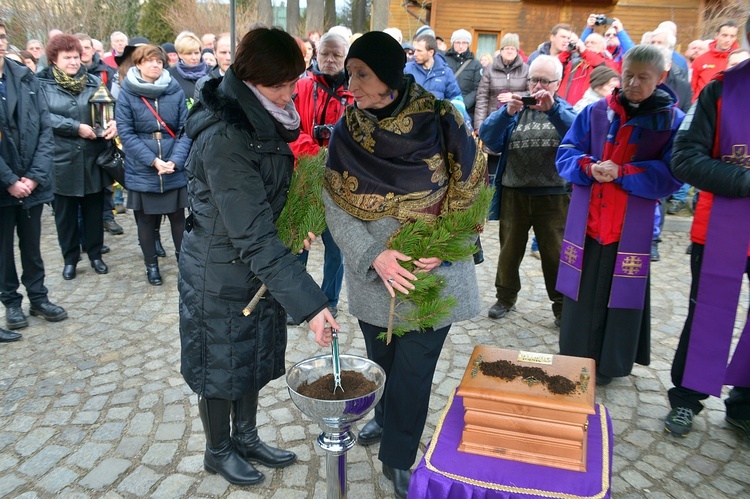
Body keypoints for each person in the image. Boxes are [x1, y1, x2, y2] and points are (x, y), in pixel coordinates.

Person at [324, 31, 485, 498]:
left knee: (415, 370)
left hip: (434, 270)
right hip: (375, 272)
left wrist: (449, 243)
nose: (350, 82)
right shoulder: (346, 130)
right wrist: (373, 254)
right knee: (383, 361)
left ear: (390, 77)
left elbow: (472, 187)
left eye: (361, 73)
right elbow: (335, 203)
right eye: (350, 72)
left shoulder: (442, 119)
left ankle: (399, 456)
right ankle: (384, 419)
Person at [180, 26, 339, 486]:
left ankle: (246, 436)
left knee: (247, 354)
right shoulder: (227, 136)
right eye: (280, 85)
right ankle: (218, 449)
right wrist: (311, 304)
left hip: (254, 266)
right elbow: (249, 232)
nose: (291, 93)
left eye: (294, 81)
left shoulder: (262, 116)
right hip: (220, 269)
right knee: (219, 362)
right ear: (248, 79)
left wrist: (295, 226)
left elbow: (267, 199)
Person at [555, 44, 684, 385]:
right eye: (628, 75)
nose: (633, 83)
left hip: (629, 230)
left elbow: (673, 173)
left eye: (643, 77)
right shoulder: (596, 112)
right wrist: (590, 167)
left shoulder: (673, 122)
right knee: (582, 295)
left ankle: (610, 364)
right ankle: (574, 357)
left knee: (619, 296)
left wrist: (624, 172)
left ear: (661, 78)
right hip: (590, 225)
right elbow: (566, 152)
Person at [663, 21, 750, 438]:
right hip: (722, 229)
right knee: (707, 314)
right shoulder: (720, 90)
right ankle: (687, 397)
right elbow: (684, 158)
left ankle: (745, 404)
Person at [479, 55, 576, 325]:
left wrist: (553, 110)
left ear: (558, 82)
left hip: (554, 195)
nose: (538, 86)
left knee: (555, 254)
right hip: (515, 192)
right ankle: (505, 297)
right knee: (509, 250)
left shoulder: (564, 109)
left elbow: (580, 134)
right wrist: (506, 112)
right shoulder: (516, 108)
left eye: (545, 80)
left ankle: (561, 307)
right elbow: (488, 136)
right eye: (534, 79)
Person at [0, 20, 67, 340]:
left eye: (1, 37)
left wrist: (33, 177)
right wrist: (10, 179)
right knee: (3, 251)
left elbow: (44, 129)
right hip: (3, 185)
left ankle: (38, 297)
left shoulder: (23, 76)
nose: (0, 43)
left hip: (32, 182)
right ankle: (11, 302)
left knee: (32, 245)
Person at [37, 34, 116, 280]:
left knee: (94, 211)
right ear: (54, 59)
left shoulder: (93, 82)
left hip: (92, 158)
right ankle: (70, 259)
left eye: (76, 56)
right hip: (60, 160)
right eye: (67, 58)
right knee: (65, 216)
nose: (73, 62)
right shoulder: (41, 84)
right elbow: (42, 117)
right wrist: (74, 127)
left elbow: (106, 111)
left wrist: (112, 124)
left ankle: (95, 255)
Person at [116, 45, 191, 285]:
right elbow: (126, 134)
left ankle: (185, 265)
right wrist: (153, 161)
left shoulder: (174, 90)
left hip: (172, 164)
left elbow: (185, 130)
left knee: (178, 219)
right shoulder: (127, 92)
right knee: (146, 221)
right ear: (138, 63)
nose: (155, 65)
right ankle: (151, 266)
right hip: (143, 168)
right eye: (149, 61)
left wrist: (175, 161)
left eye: (158, 61)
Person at [289, 31, 352, 318]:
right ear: (316, 54)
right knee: (299, 242)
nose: (329, 59)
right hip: (304, 177)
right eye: (324, 53)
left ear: (345, 58)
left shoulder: (354, 93)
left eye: (336, 55)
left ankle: (330, 299)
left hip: (342, 183)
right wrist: (317, 153)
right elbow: (289, 129)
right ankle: (298, 299)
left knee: (336, 247)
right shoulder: (301, 87)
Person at [474, 33, 529, 219]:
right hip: (493, 123)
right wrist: (479, 125)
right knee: (489, 170)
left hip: (516, 122)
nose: (509, 52)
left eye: (512, 49)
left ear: (517, 50)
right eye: (506, 48)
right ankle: (488, 206)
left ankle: (504, 205)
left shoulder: (526, 70)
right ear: (502, 49)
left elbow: (531, 92)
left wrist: (513, 95)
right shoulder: (490, 70)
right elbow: (481, 97)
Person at [691, 21, 739, 100]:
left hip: (728, 104)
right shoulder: (700, 60)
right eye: (724, 35)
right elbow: (691, 87)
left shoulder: (739, 60)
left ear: (735, 38)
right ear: (716, 35)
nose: (728, 40)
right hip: (702, 104)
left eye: (732, 36)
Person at [443, 29, 483, 120]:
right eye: (457, 42)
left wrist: (463, 104)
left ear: (468, 44)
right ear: (453, 43)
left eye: (464, 43)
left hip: (467, 110)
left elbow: (478, 88)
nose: (461, 46)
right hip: (446, 107)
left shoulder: (476, 64)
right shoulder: (443, 61)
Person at [167, 31, 209, 108]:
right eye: (189, 53)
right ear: (180, 54)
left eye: (196, 53)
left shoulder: (211, 72)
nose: (194, 57)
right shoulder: (170, 75)